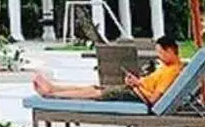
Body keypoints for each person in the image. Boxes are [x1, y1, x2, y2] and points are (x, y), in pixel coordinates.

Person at [32, 34, 185, 105]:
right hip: (135, 89)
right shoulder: (168, 67)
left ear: (170, 51)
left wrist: (136, 85)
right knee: (93, 87)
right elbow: (150, 85)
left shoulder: (171, 72)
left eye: (160, 52)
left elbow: (153, 99)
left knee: (95, 93)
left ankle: (53, 95)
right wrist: (136, 81)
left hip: (137, 95)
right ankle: (53, 88)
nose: (158, 56)